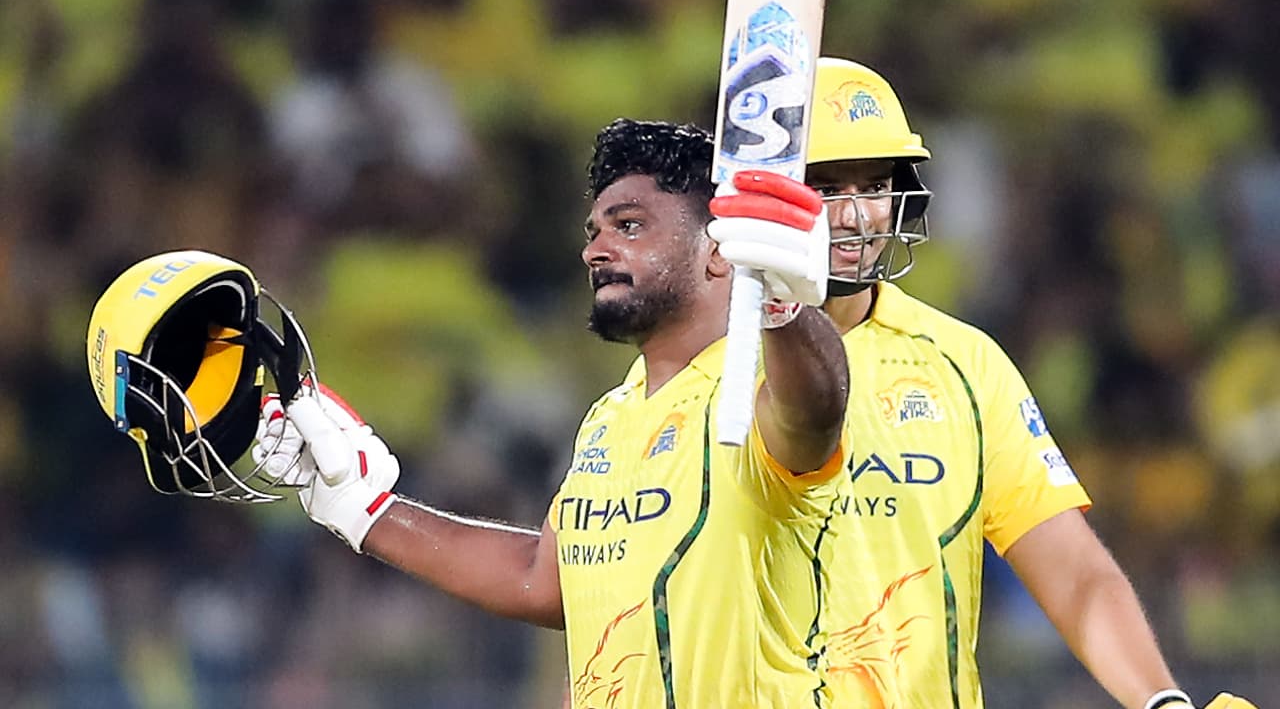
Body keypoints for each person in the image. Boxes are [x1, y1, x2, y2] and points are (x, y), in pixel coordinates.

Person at [259, 118, 855, 708]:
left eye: (629, 225)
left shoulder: (757, 386)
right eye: (595, 231)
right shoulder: (610, 417)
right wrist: (366, 511)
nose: (595, 250)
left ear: (718, 250)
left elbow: (815, 414)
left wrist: (782, 307)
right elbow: (540, 578)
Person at [799, 57, 1255, 709]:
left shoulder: (964, 364)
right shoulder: (706, 361)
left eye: (873, 186)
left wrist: (1162, 701)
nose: (856, 215)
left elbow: (1076, 575)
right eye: (825, 187)